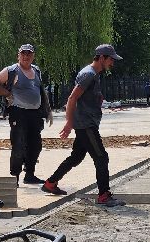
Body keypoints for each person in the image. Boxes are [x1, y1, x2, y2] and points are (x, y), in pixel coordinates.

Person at [42, 44, 122, 207]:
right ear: (101, 58)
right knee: (101, 157)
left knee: (77, 157)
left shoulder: (94, 75)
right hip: (86, 125)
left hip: (87, 123)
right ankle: (104, 196)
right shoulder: (88, 74)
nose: (112, 63)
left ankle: (50, 183)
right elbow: (72, 99)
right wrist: (69, 123)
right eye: (111, 59)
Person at [0, 43, 51, 184]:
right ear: (18, 55)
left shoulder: (36, 70)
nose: (26, 56)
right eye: (23, 54)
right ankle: (14, 177)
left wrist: (47, 110)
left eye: (29, 54)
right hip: (18, 113)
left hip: (35, 114)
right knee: (19, 145)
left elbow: (41, 91)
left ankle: (30, 175)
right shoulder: (12, 70)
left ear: (33, 56)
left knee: (35, 145)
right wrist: (7, 93)